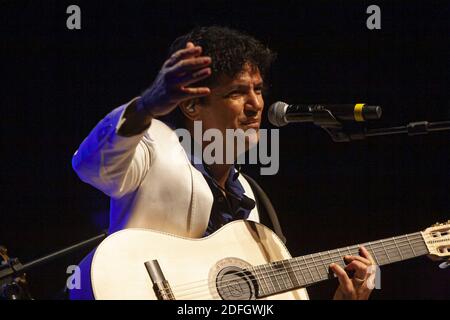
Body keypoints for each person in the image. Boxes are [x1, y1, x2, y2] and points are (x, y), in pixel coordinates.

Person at [70, 26, 374, 300]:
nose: (255, 105)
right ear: (191, 105)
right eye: (237, 92)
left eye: (257, 90)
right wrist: (147, 104)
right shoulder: (153, 146)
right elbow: (89, 166)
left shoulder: (250, 196)